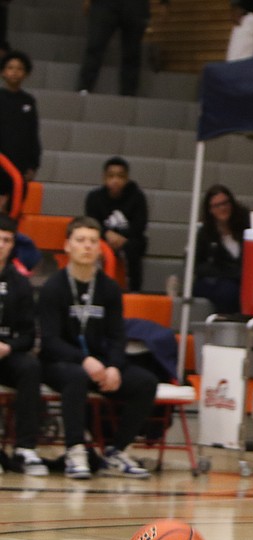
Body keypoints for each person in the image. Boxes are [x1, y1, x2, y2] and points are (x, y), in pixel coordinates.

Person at [39, 217, 157, 479]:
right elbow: (50, 340)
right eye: (80, 240)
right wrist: (84, 360)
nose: (87, 247)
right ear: (67, 246)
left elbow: (117, 336)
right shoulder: (53, 287)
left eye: (93, 241)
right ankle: (75, 450)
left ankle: (117, 451)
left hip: (100, 363)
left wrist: (115, 366)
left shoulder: (109, 288)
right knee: (76, 377)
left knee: (145, 382)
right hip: (60, 363)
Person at [0, 215, 48, 476]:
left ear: (12, 245)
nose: (0, 245)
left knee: (30, 367)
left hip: (7, 354)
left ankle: (25, 448)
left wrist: (8, 347)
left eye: (6, 240)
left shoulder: (20, 283)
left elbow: (29, 335)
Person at [77, 0, 168, 97]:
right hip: (104, 4)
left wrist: (164, 3)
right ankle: (84, 88)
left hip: (136, 5)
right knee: (95, 45)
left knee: (132, 52)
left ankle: (128, 94)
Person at [85, 156, 149, 292]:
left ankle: (134, 290)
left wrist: (121, 237)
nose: (115, 180)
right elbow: (90, 222)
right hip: (103, 238)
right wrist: (106, 234)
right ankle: (94, 288)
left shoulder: (137, 197)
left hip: (129, 239)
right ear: (104, 178)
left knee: (135, 246)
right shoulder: (94, 197)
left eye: (120, 176)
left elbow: (140, 225)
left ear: (126, 178)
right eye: (111, 176)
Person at [193, 184, 250, 314]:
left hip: (239, 279)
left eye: (225, 203)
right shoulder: (205, 234)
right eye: (217, 206)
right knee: (230, 292)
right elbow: (197, 265)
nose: (222, 208)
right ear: (210, 210)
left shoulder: (244, 228)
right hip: (215, 279)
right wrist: (228, 271)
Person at [0, 51, 40, 217]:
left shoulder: (28, 101)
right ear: (2, 71)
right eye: (10, 67)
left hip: (20, 162)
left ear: (26, 73)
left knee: (13, 211)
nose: (14, 72)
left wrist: (33, 163)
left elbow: (33, 133)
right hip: (1, 159)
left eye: (19, 68)